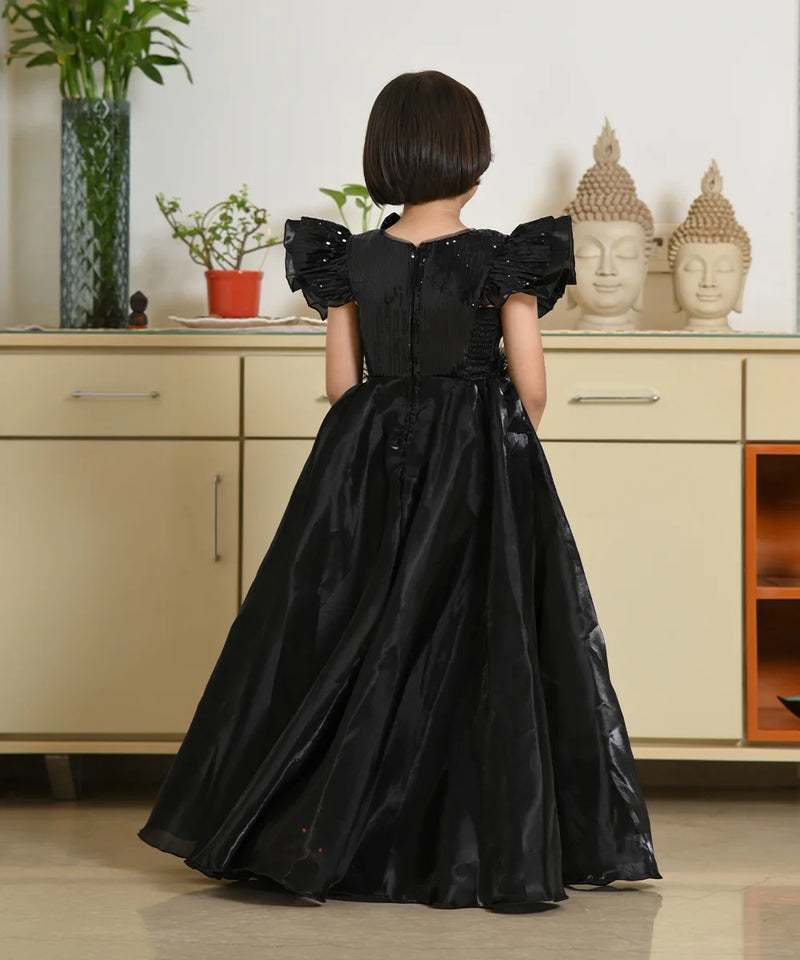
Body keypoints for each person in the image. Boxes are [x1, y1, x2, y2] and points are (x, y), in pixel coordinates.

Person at [138, 69, 661, 910]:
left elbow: (344, 383)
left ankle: (323, 828)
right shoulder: (504, 259)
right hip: (478, 469)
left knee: (357, 635)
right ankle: (453, 840)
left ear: (385, 159)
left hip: (367, 466)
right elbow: (530, 388)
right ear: (472, 159)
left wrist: (390, 438)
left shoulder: (349, 260)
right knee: (476, 642)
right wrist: (483, 438)